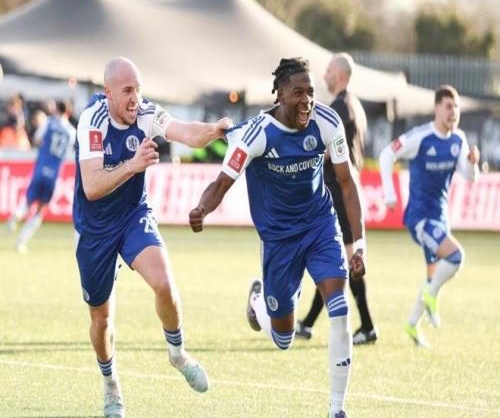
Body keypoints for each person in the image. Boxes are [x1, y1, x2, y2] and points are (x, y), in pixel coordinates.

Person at [189, 57, 366, 418]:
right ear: (280, 95)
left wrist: (359, 246)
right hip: (279, 240)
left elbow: (347, 183)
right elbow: (221, 183)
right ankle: (259, 301)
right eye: (298, 93)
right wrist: (202, 209)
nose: (306, 100)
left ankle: (337, 409)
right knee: (283, 339)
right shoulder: (256, 134)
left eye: (311, 92)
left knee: (339, 307)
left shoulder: (327, 122)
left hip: (319, 226)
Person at [73, 57, 231, 418]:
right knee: (102, 320)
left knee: (164, 283)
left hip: (133, 215)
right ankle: (111, 384)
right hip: (95, 229)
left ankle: (177, 354)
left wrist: (217, 130)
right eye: (128, 91)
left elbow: (185, 132)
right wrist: (133, 165)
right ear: (108, 93)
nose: (136, 98)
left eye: (139, 89)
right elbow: (92, 186)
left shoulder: (144, 112)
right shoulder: (92, 121)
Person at [379, 85, 480, 347]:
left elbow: (470, 177)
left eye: (456, 107)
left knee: (433, 274)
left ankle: (412, 324)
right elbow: (386, 154)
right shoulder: (421, 137)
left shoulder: (459, 140)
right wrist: (389, 193)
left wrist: (472, 164)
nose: (453, 112)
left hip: (441, 218)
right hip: (420, 219)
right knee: (456, 257)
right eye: (448, 106)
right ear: (436, 109)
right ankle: (431, 296)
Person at [296, 53, 377, 345]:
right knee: (336, 259)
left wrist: (306, 159)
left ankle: (367, 325)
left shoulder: (340, 107)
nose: (325, 75)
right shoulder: (356, 105)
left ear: (341, 75)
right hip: (343, 189)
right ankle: (307, 323)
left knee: (343, 259)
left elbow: (331, 150)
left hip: (339, 191)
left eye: (329, 70)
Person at [7, 100, 75, 253]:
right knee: (40, 210)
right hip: (53, 175)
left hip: (40, 169)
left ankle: (16, 216)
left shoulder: (49, 122)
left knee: (28, 201)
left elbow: (37, 138)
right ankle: (21, 243)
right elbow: (68, 153)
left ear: (57, 109)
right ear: (69, 112)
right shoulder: (71, 131)